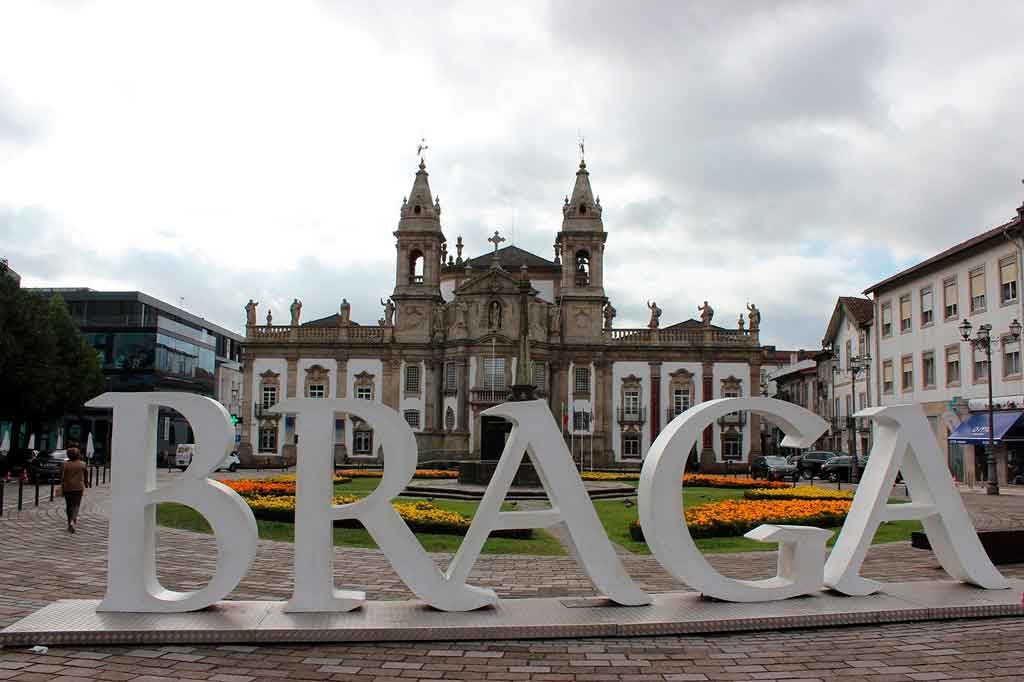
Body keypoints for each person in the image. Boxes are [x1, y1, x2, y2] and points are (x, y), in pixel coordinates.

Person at [59, 447, 88, 533]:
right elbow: (86, 475)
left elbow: (61, 475)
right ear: (78, 455)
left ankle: (69, 522)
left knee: (69, 506)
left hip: (67, 487)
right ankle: (73, 522)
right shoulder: (83, 464)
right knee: (76, 505)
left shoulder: (65, 464)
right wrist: (86, 483)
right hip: (78, 488)